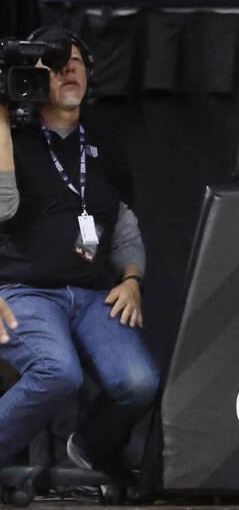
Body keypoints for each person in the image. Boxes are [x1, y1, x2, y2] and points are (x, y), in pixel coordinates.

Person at [0, 28, 159, 473]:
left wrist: (132, 279)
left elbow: (125, 228)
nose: (67, 68)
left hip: (90, 294)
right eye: (51, 63)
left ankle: (89, 448)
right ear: (29, 78)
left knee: (139, 382)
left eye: (75, 61)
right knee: (58, 372)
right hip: (23, 290)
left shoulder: (105, 145)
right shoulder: (11, 136)